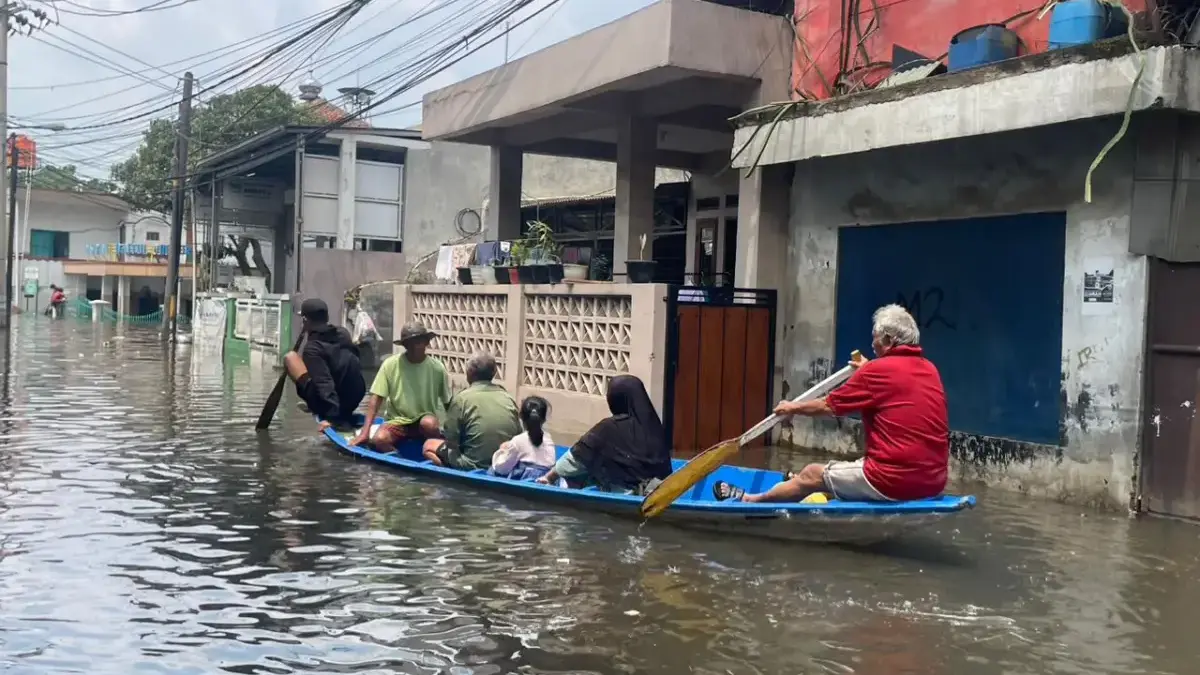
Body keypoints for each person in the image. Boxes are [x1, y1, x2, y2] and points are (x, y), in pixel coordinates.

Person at [713, 303, 950, 504]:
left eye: (875, 339)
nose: (873, 345)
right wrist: (870, 368)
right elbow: (894, 382)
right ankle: (805, 485)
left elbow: (830, 406)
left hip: (892, 481)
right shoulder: (929, 369)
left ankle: (751, 499)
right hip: (934, 481)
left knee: (811, 474)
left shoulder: (878, 371)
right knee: (846, 469)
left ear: (888, 340)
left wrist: (791, 408)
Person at [536, 375, 672, 495]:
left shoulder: (609, 428)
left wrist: (549, 478)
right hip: (657, 494)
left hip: (624, 494)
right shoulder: (655, 428)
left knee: (579, 470)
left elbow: (575, 459)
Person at [351, 320, 451, 452]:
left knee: (430, 424)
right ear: (405, 345)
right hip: (397, 421)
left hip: (424, 420)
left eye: (419, 341)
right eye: (411, 343)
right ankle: (397, 458)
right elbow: (376, 399)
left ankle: (439, 452)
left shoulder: (437, 368)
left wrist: (455, 434)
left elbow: (448, 403)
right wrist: (365, 432)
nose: (416, 347)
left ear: (426, 342)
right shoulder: (390, 364)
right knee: (379, 440)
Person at [424, 352, 521, 470]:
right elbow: (518, 436)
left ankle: (450, 473)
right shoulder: (508, 397)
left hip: (473, 464)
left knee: (428, 445)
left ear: (469, 373)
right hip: (503, 462)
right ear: (494, 373)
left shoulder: (461, 399)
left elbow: (451, 439)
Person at [283, 298, 366, 432]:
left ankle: (319, 406)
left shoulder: (312, 349)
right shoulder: (343, 333)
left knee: (290, 358)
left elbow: (324, 383)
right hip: (355, 397)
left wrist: (333, 418)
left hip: (336, 404)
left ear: (305, 321)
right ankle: (321, 406)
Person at [491, 395, 556, 481]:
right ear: (544, 419)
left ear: (520, 416)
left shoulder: (518, 441)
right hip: (546, 479)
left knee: (492, 471)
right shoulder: (548, 439)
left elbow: (502, 468)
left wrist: (503, 451)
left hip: (526, 480)